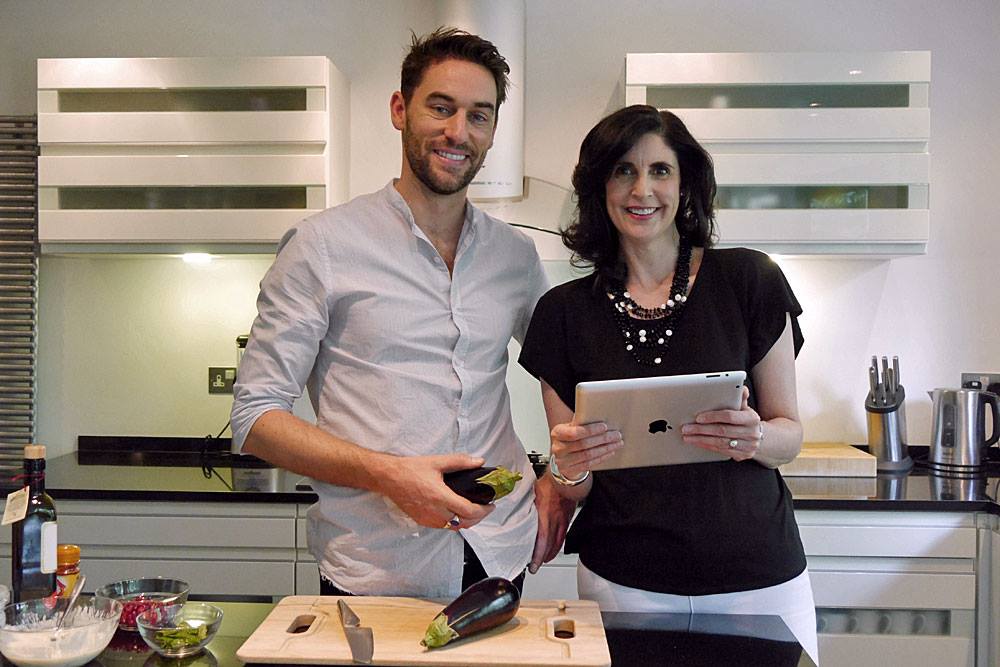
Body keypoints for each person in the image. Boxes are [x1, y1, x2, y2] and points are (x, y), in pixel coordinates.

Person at [230, 27, 573, 599]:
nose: (458, 131)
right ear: (400, 109)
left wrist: (560, 479)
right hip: (376, 566)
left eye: (479, 115)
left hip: (500, 550)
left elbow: (564, 371)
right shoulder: (322, 246)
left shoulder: (515, 256)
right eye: (441, 107)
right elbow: (255, 418)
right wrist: (390, 475)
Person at [518, 104, 818, 663]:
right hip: (624, 582)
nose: (642, 189)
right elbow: (577, 482)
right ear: (600, 186)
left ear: (684, 187)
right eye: (623, 170)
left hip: (757, 579)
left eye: (660, 170)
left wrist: (754, 436)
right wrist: (568, 464)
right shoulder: (563, 313)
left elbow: (790, 436)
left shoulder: (751, 280)